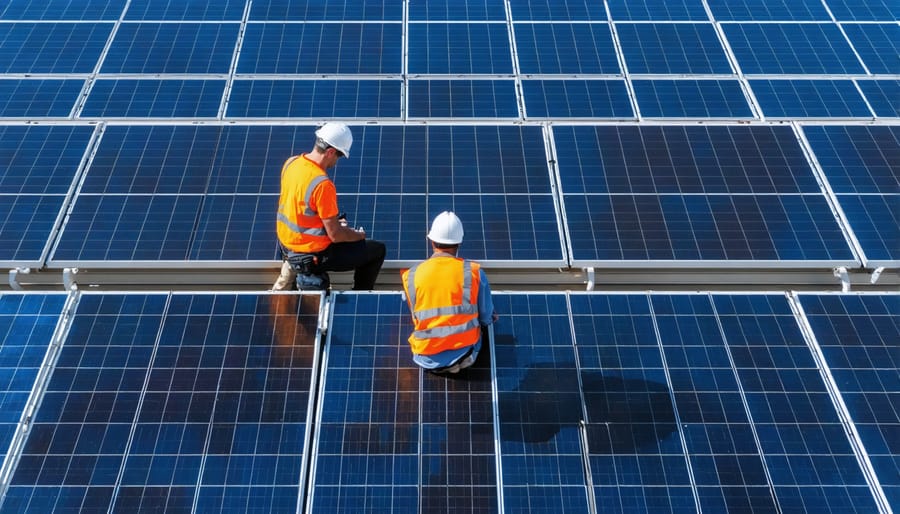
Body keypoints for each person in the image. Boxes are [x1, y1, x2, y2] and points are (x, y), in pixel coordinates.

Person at [272, 122, 386, 291]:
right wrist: (358, 235)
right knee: (377, 250)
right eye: (338, 156)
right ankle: (359, 297)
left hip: (287, 247)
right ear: (330, 152)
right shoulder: (322, 184)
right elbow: (336, 235)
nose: (337, 161)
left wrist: (331, 223)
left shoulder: (291, 163)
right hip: (313, 255)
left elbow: (299, 207)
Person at [401, 211, 498, 374]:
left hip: (425, 356)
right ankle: (457, 363)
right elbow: (485, 316)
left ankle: (443, 365)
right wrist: (489, 318)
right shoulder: (473, 272)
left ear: (431, 241)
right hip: (464, 351)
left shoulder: (410, 276)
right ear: (459, 243)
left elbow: (416, 315)